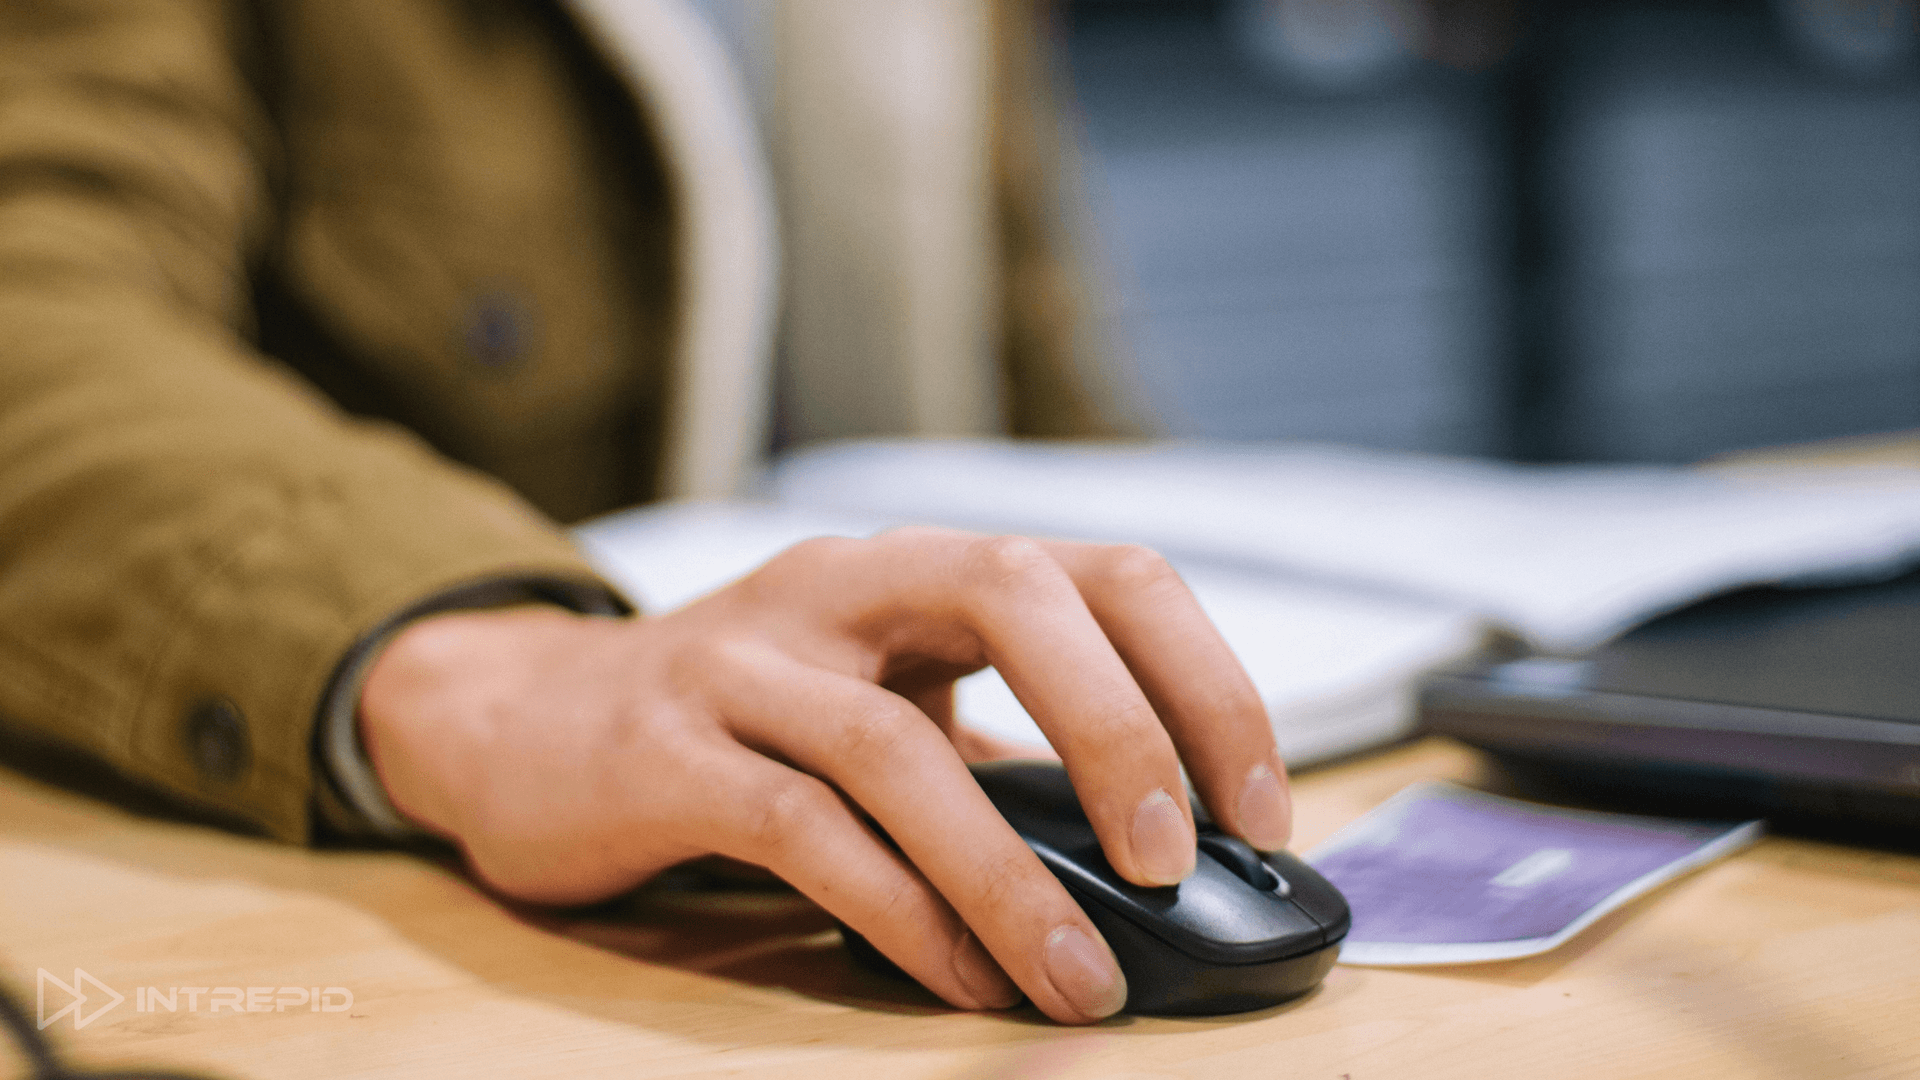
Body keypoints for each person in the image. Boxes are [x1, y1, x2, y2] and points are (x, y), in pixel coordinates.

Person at [0, 0, 1291, 1025]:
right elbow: (36, 316)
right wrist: (499, 678)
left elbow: (1033, 387)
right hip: (423, 892)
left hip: (895, 786)